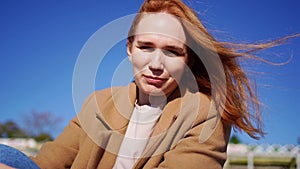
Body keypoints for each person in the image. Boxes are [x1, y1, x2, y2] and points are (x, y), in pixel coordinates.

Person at [0, 0, 298, 168]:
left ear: (189, 60)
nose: (156, 63)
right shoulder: (98, 102)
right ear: (129, 49)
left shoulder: (205, 113)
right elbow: (47, 163)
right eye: (146, 47)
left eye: (172, 51)